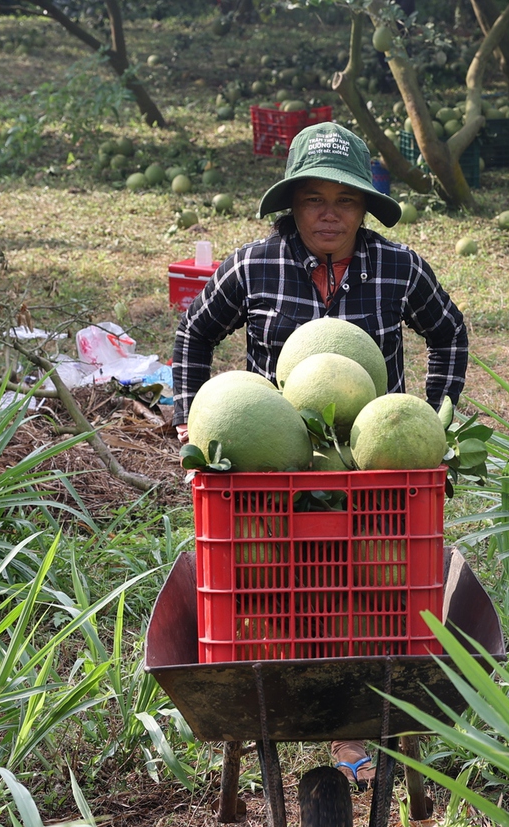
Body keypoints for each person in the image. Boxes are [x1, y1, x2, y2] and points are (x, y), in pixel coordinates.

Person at [173, 122, 468, 789]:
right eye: (313, 198)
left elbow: (448, 333)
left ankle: (353, 718)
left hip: (371, 470)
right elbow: (195, 331)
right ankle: (289, 693)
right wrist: (188, 415)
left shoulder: (398, 267)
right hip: (268, 470)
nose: (329, 212)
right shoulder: (254, 265)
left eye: (345, 199)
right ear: (292, 206)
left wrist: (436, 418)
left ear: (365, 207)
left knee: (369, 590)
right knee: (274, 586)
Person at [373, 0, 416, 90]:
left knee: (402, 49)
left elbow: (407, 0)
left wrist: (397, 18)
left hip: (401, 19)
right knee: (384, 51)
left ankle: (404, 81)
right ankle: (389, 78)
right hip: (392, 17)